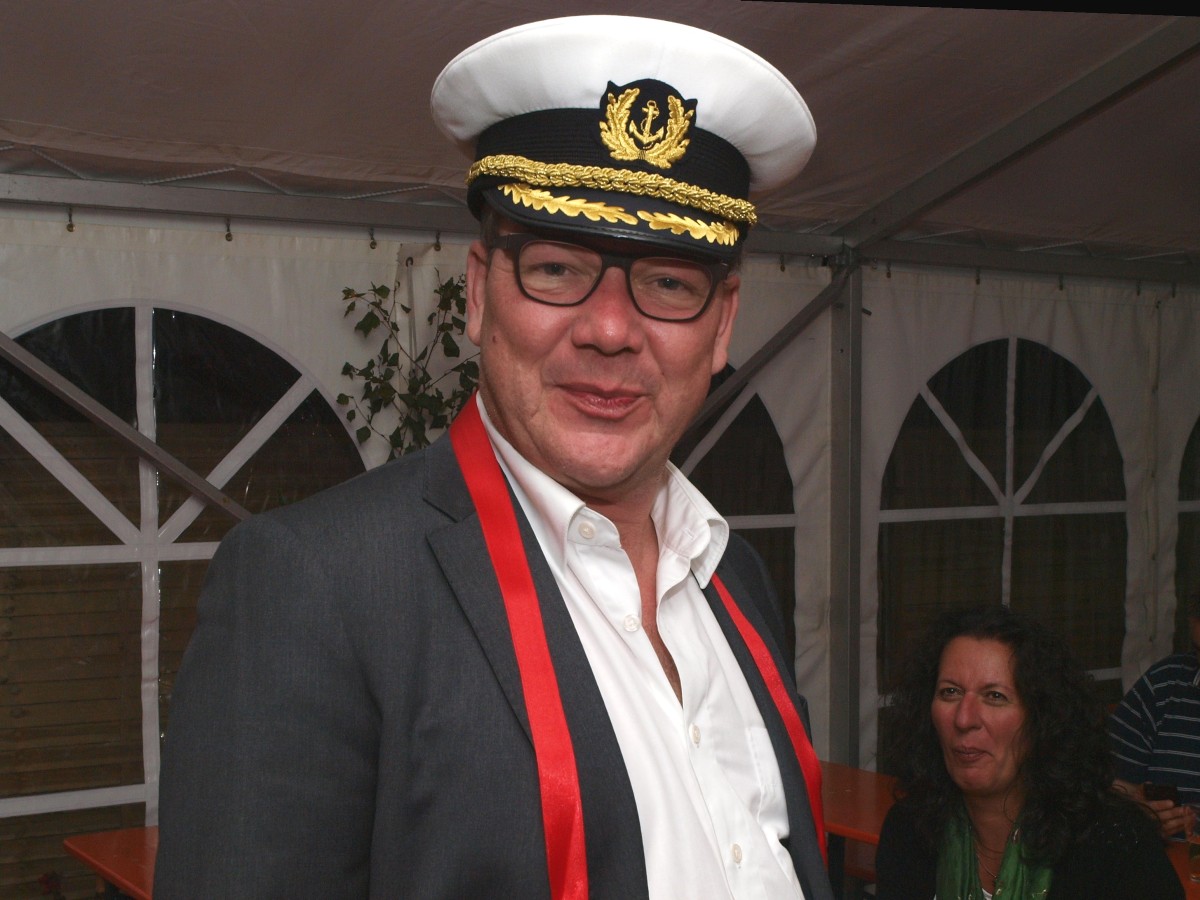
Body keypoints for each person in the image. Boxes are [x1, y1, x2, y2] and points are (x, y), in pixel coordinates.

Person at [154, 15, 834, 900]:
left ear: (722, 324)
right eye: (557, 269)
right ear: (479, 294)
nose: (609, 330)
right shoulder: (317, 589)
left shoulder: (733, 573)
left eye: (669, 282)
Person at [875, 606, 1181, 900]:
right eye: (950, 692)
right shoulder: (909, 829)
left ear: (1042, 719)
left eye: (995, 696)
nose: (964, 719)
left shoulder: (1117, 845)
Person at [1109, 593, 1200, 838]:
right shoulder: (1164, 685)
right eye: (1198, 650)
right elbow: (1102, 782)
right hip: (1160, 855)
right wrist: (1137, 810)